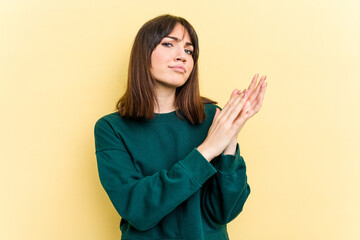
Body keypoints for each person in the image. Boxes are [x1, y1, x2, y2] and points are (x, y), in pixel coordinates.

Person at [94, 14, 267, 240]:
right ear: (143, 54)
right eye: (168, 44)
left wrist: (229, 140)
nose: (182, 57)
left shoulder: (212, 117)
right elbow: (138, 210)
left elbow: (224, 212)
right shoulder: (111, 128)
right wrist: (206, 150)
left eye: (189, 50)